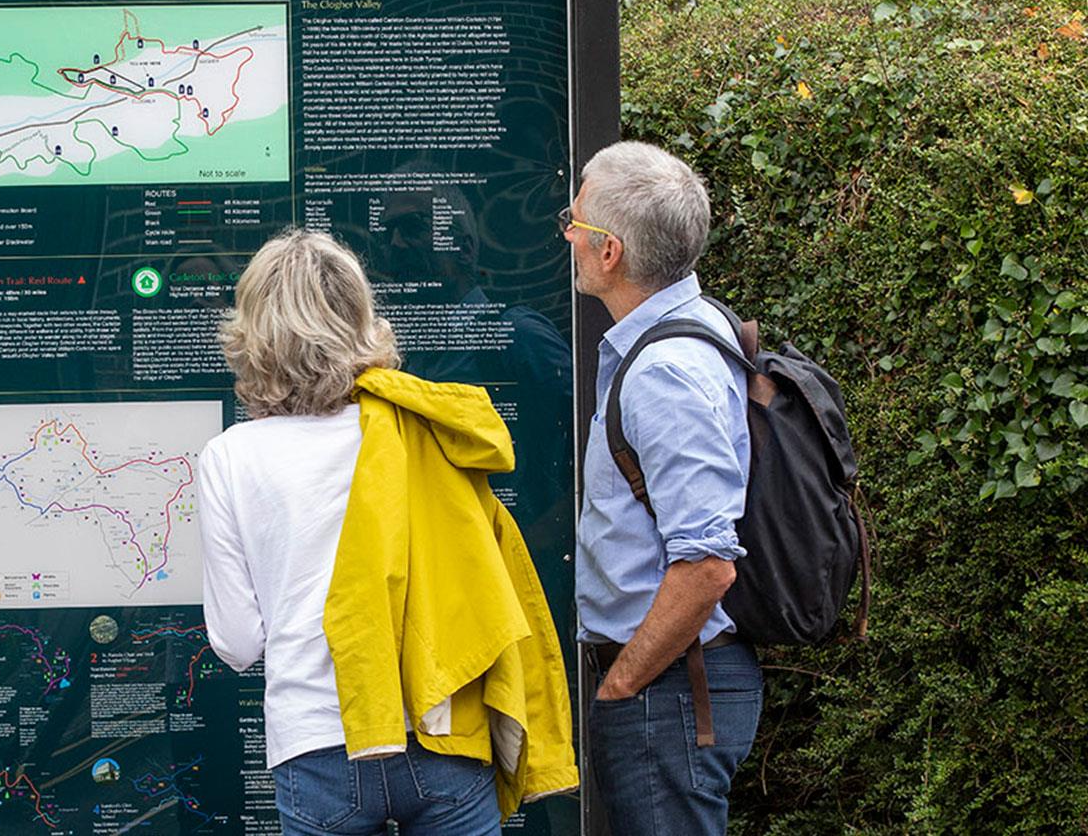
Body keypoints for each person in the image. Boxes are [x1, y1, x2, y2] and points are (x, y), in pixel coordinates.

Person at [196, 229, 577, 836]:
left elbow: (238, 642)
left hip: (316, 744)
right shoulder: (424, 428)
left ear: (254, 338)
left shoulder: (229, 458)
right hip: (442, 723)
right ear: (361, 322)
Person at [565, 142, 760, 834]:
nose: (568, 234)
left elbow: (707, 564)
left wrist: (621, 687)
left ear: (609, 252)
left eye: (576, 222)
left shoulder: (664, 373)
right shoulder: (697, 326)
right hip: (675, 685)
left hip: (669, 687)